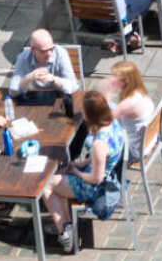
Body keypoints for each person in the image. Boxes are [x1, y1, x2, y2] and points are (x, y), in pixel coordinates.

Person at [40, 92, 123, 250]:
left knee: (48, 184)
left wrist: (76, 172)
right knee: (59, 171)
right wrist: (78, 164)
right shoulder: (112, 123)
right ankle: (67, 224)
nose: (81, 114)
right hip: (101, 172)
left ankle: (65, 231)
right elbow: (98, 160)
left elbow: (96, 179)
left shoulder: (99, 144)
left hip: (93, 187)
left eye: (84, 111)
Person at [101, 60, 155, 161]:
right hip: (148, 142)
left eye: (114, 77)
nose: (111, 80)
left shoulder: (127, 104)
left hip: (133, 152)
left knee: (94, 142)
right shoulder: (140, 92)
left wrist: (107, 94)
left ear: (125, 81)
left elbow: (102, 121)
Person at [9, 29, 80, 101]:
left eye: (51, 49)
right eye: (43, 51)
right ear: (33, 50)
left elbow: (73, 87)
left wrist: (54, 79)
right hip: (37, 98)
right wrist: (28, 77)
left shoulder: (61, 54)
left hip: (60, 96)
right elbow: (13, 92)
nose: (49, 54)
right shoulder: (23, 58)